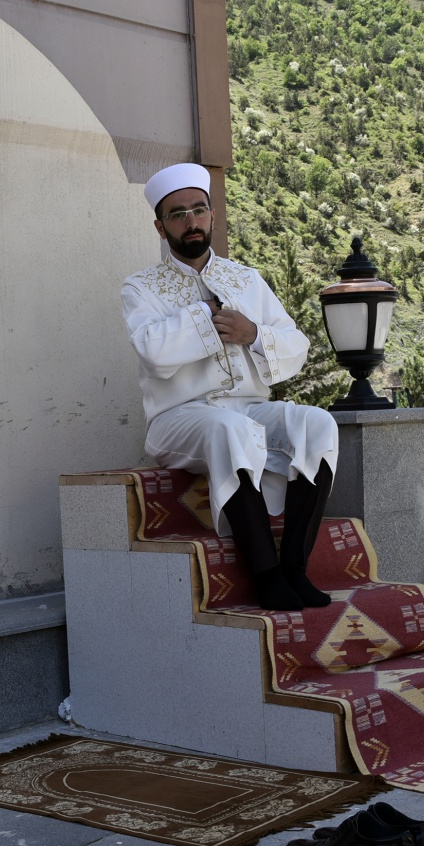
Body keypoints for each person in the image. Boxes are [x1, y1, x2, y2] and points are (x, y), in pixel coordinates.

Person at [122, 162, 339, 611]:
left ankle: (295, 568)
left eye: (198, 210)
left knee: (317, 424)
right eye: (178, 214)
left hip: (248, 408)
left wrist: (253, 333)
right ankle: (267, 575)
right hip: (179, 416)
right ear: (161, 228)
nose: (191, 221)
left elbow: (297, 346)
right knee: (228, 429)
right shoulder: (140, 287)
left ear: (212, 215)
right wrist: (205, 315)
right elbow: (152, 350)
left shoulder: (246, 280)